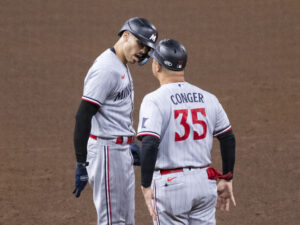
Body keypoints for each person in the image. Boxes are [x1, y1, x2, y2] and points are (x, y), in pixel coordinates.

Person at [137, 39, 236, 225]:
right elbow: (228, 138)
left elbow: (149, 143)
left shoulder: (154, 100)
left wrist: (145, 185)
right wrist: (227, 178)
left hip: (170, 186)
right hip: (204, 183)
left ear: (157, 65)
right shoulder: (209, 98)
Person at [72, 17, 158, 225]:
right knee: (113, 221)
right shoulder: (106, 69)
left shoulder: (121, 63)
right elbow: (83, 115)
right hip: (107, 152)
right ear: (126, 35)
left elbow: (113, 112)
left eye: (147, 49)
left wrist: (129, 142)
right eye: (141, 45)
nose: (143, 52)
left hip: (120, 151)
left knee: (126, 221)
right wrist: (81, 162)